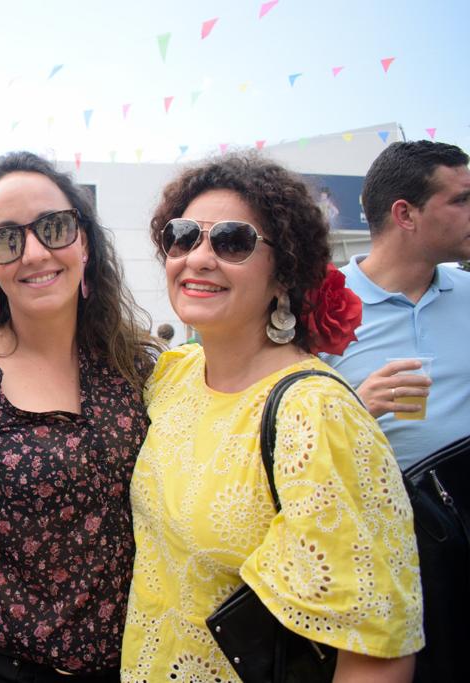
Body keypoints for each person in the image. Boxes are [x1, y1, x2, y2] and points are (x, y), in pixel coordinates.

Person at [121, 154, 424, 682]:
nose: (199, 257)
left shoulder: (319, 414)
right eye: (183, 236)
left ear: (283, 274)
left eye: (233, 242)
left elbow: (377, 648)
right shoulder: (175, 374)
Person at [0, 151, 156, 682]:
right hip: (0, 670)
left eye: (54, 228)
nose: (35, 253)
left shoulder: (139, 371)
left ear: (84, 241)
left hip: (137, 666)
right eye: (7, 238)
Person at [320, 140, 470, 470]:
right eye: (461, 200)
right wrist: (354, 408)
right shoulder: (316, 308)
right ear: (405, 214)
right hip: (374, 513)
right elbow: (274, 438)